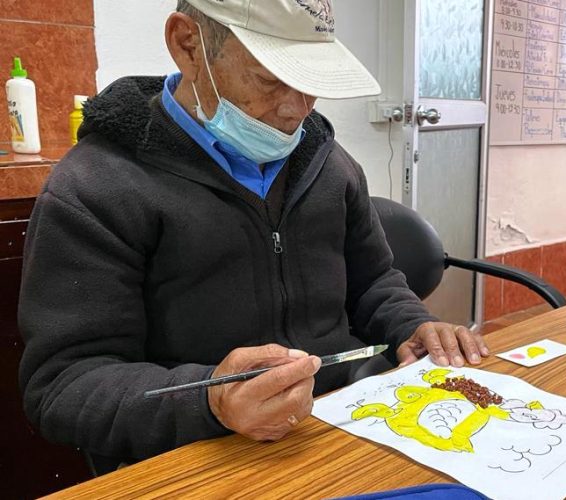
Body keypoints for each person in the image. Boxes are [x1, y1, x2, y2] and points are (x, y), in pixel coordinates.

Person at [17, 0, 489, 470]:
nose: (295, 111)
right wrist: (210, 401)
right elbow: (64, 384)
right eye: (269, 80)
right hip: (196, 457)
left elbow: (374, 281)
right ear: (188, 45)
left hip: (342, 425)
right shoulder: (98, 187)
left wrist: (411, 325)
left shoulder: (329, 164)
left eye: (311, 85)